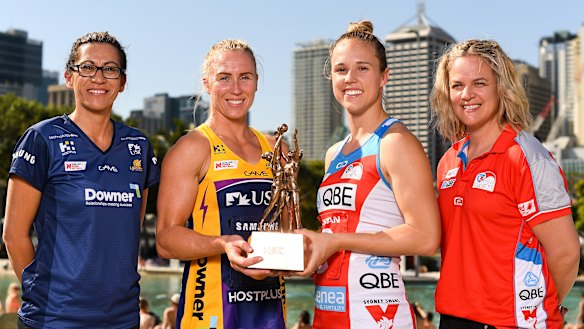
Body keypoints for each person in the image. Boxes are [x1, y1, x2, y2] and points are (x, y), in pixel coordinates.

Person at [3, 31, 160, 328]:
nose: (99, 78)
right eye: (87, 67)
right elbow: (13, 234)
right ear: (69, 77)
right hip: (53, 318)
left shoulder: (138, 146)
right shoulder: (42, 138)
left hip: (121, 319)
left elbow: (130, 228)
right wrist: (42, 295)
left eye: (110, 69)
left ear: (122, 82)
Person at [295, 21, 441, 328]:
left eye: (363, 68)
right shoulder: (334, 153)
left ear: (384, 76)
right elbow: (335, 233)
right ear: (330, 77)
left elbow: (427, 237)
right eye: (341, 69)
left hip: (376, 317)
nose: (351, 78)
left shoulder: (396, 143)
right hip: (327, 313)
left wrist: (334, 243)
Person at [430, 39, 580, 328]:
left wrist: (542, 306)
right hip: (453, 319)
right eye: (457, 85)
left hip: (511, 322)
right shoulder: (447, 161)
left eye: (480, 83)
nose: (467, 95)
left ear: (501, 87)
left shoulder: (527, 157)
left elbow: (566, 253)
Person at [155, 39, 286, 329]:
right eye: (224, 77)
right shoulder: (192, 148)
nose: (236, 88)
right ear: (207, 83)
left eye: (245, 77)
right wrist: (220, 244)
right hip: (211, 315)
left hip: (270, 313)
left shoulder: (278, 150)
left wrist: (291, 258)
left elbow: (287, 231)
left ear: (257, 82)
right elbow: (165, 240)